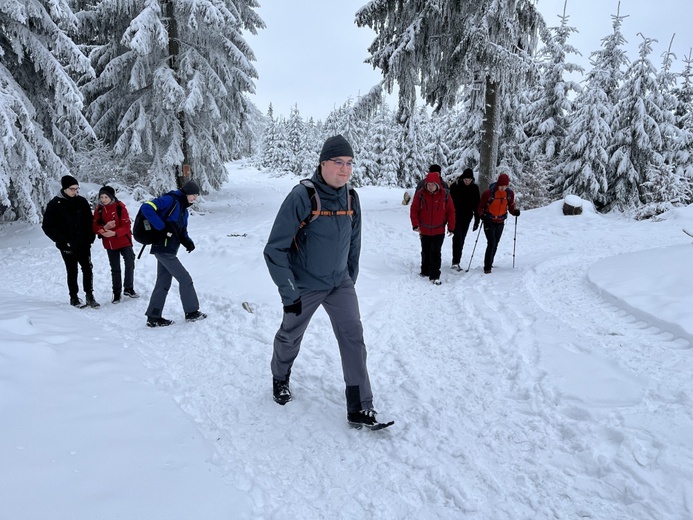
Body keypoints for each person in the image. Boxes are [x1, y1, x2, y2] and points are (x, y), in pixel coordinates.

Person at [264, 134, 387, 430]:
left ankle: (360, 406)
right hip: (305, 285)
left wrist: (349, 279)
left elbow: (354, 242)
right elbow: (274, 248)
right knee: (290, 335)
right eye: (338, 162)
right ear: (323, 164)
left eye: (349, 163)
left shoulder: (351, 197)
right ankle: (280, 377)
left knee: (353, 339)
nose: (345, 169)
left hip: (339, 284)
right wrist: (289, 291)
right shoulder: (303, 196)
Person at [141, 180, 207, 327]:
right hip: (163, 249)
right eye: (194, 195)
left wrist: (187, 242)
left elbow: (181, 230)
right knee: (185, 279)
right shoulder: (170, 200)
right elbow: (147, 207)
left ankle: (153, 317)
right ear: (187, 192)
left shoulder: (183, 209)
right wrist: (161, 227)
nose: (195, 198)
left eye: (196, 195)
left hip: (168, 249)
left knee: (163, 282)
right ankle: (192, 312)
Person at [42, 175, 99, 308]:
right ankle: (73, 297)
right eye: (72, 189)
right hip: (67, 245)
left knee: (87, 268)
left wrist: (91, 236)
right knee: (72, 270)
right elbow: (47, 226)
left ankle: (89, 295)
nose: (75, 192)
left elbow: (89, 221)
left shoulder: (82, 202)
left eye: (77, 189)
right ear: (65, 188)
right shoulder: (55, 204)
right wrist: (60, 240)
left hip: (83, 243)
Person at [92, 186, 138, 303]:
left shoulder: (120, 207)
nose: (103, 199)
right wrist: (104, 229)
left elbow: (126, 226)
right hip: (110, 244)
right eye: (101, 197)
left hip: (124, 241)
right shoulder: (99, 209)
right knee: (115, 268)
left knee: (129, 263)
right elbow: (95, 226)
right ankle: (116, 293)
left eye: (106, 197)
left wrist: (115, 233)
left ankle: (128, 288)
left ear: (112, 197)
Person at [410, 171, 456, 284]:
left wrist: (451, 227)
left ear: (437, 184)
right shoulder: (420, 194)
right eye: (428, 184)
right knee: (425, 250)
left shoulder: (445, 195)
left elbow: (451, 212)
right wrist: (415, 224)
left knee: (435, 252)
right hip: (424, 229)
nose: (430, 187)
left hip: (438, 230)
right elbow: (414, 209)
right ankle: (425, 270)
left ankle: (435, 275)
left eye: (433, 184)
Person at [478, 173, 520, 274]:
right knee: (491, 242)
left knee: (495, 243)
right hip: (489, 221)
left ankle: (490, 262)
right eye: (501, 186)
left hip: (500, 221)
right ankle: (487, 267)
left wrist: (515, 212)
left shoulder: (509, 194)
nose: (503, 188)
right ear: (498, 184)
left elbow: (511, 207)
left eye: (505, 186)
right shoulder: (489, 193)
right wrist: (481, 215)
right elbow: (480, 206)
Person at [449, 168, 481, 270]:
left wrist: (477, 220)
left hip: (467, 217)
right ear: (462, 178)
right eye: (466, 179)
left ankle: (457, 260)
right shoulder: (456, 186)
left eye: (469, 180)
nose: (467, 181)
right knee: (457, 237)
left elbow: (477, 205)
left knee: (462, 238)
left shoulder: (475, 188)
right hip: (455, 216)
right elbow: (449, 203)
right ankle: (455, 261)